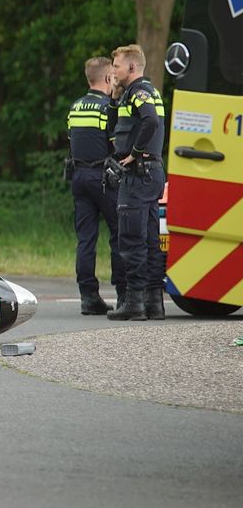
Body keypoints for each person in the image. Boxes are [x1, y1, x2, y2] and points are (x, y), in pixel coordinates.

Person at [106, 44, 166, 321]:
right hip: (152, 173)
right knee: (151, 240)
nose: (113, 71)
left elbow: (150, 122)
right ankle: (154, 303)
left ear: (132, 67)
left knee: (131, 240)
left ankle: (134, 304)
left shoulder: (138, 93)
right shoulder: (149, 92)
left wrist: (135, 152)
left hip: (139, 174)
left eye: (116, 66)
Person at [66, 57, 125, 314]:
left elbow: (73, 141)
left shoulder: (75, 108)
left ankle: (88, 297)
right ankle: (124, 295)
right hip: (104, 179)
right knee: (118, 235)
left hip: (79, 178)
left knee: (86, 240)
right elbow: (116, 145)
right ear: (108, 79)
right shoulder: (107, 108)